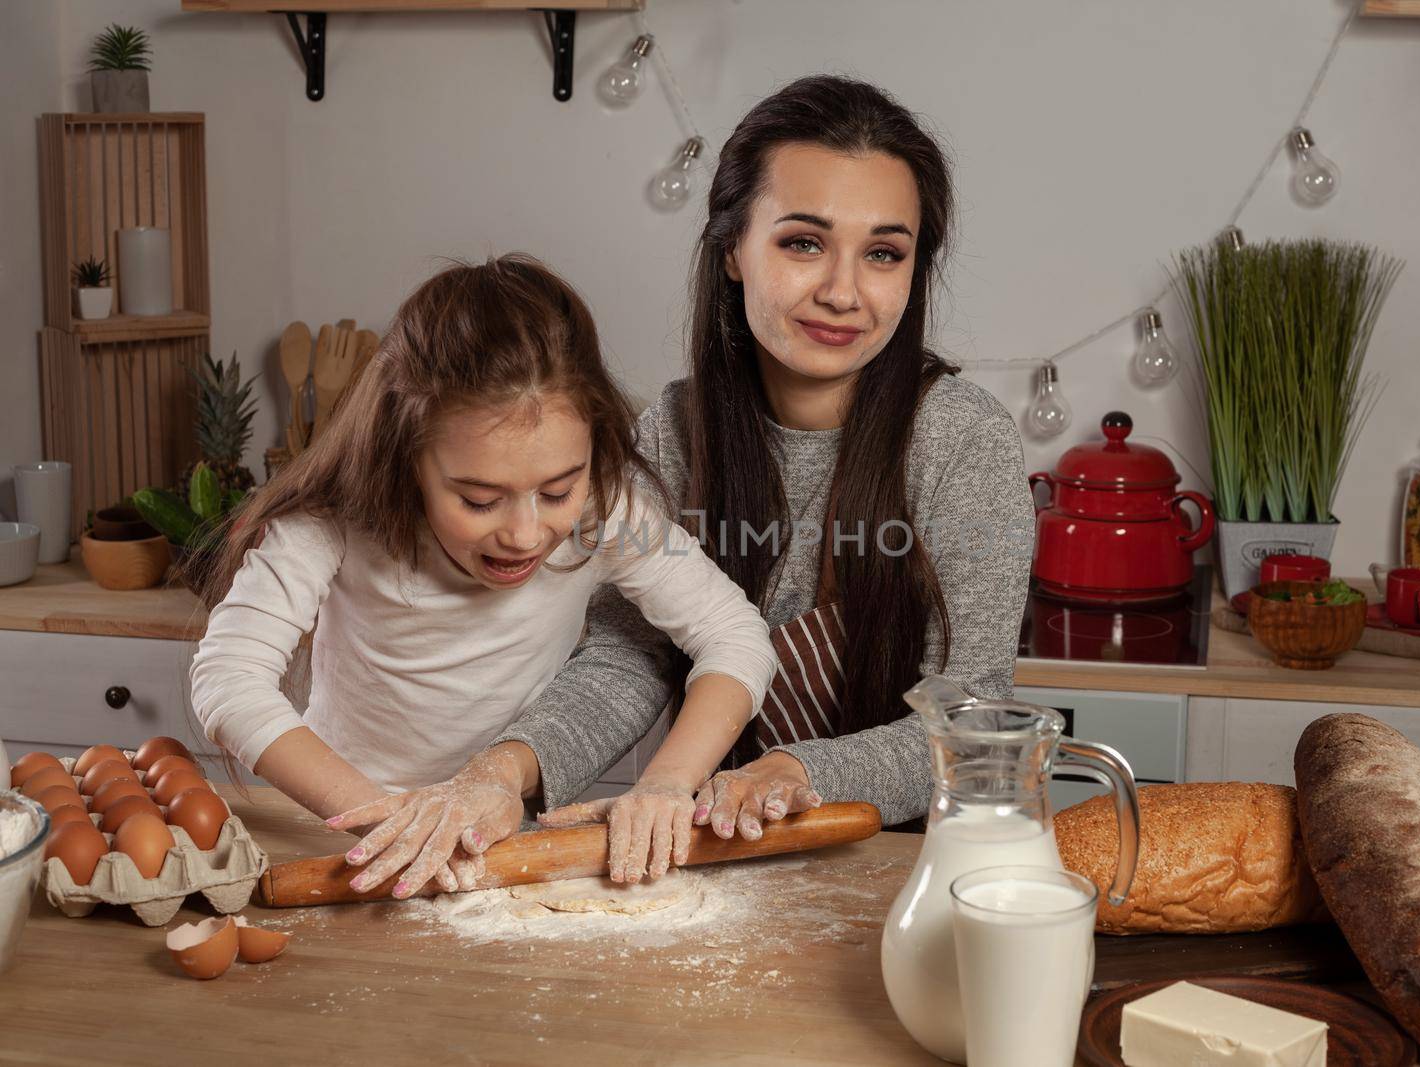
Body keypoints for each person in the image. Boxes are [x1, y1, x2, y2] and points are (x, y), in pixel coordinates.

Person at [362, 74, 1035, 885]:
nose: (843, 291)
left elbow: (970, 715)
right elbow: (628, 660)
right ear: (732, 251)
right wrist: (504, 771)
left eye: (883, 253)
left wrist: (794, 773)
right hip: (718, 866)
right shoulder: (673, 433)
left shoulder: (964, 442)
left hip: (911, 875)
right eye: (803, 242)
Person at [188, 255, 777, 896]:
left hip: (494, 847)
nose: (525, 534)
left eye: (558, 490)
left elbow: (734, 635)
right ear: (407, 455)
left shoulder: (609, 509)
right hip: (339, 839)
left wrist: (668, 781)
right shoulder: (334, 519)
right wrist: (389, 824)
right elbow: (227, 679)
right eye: (477, 501)